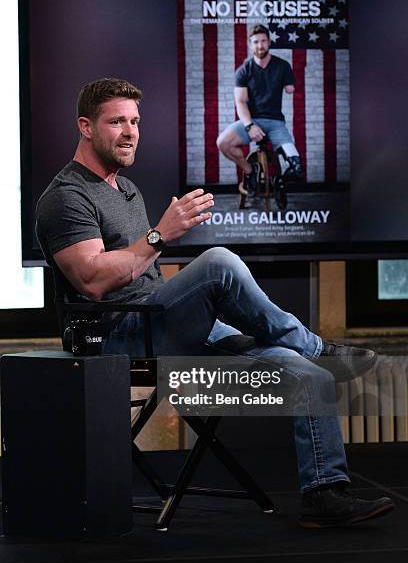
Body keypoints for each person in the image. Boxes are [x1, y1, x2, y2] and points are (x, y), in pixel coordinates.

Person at [36, 77, 394, 528]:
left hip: (159, 323)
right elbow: (91, 282)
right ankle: (315, 344)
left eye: (135, 121)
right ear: (85, 127)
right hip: (121, 342)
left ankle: (325, 495)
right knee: (219, 261)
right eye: (116, 122)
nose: (130, 132)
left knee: (305, 373)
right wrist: (160, 234)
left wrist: (159, 252)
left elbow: (139, 272)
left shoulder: (124, 189)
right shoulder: (66, 197)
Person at [217, 24, 303, 196]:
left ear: (269, 42)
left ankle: (278, 182)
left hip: (275, 123)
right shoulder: (243, 71)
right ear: (250, 44)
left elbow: (290, 89)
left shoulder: (282, 66)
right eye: (256, 42)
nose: (260, 45)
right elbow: (240, 102)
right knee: (223, 143)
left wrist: (289, 84)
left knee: (296, 167)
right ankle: (250, 171)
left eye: (264, 41)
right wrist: (249, 126)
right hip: (251, 120)